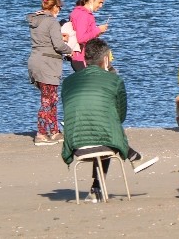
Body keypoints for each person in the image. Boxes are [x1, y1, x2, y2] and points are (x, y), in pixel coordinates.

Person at [60, 38, 156, 202]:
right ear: (105, 59)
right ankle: (132, 159)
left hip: (76, 145)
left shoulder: (68, 82)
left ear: (85, 59)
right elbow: (121, 116)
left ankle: (99, 187)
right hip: (106, 142)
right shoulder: (114, 80)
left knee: (100, 125)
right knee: (107, 128)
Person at [27, 0, 72, 146]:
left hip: (35, 62)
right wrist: (71, 50)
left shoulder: (36, 20)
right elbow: (58, 45)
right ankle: (41, 133)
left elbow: (45, 39)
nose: (59, 11)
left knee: (51, 97)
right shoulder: (52, 21)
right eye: (59, 8)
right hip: (47, 64)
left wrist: (59, 36)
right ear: (55, 7)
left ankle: (54, 131)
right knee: (48, 99)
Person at [67, 0, 109, 72]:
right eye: (99, 2)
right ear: (91, 0)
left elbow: (85, 34)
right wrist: (98, 30)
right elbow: (81, 38)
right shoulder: (83, 15)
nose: (101, 6)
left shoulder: (79, 12)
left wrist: (98, 33)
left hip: (80, 57)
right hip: (81, 58)